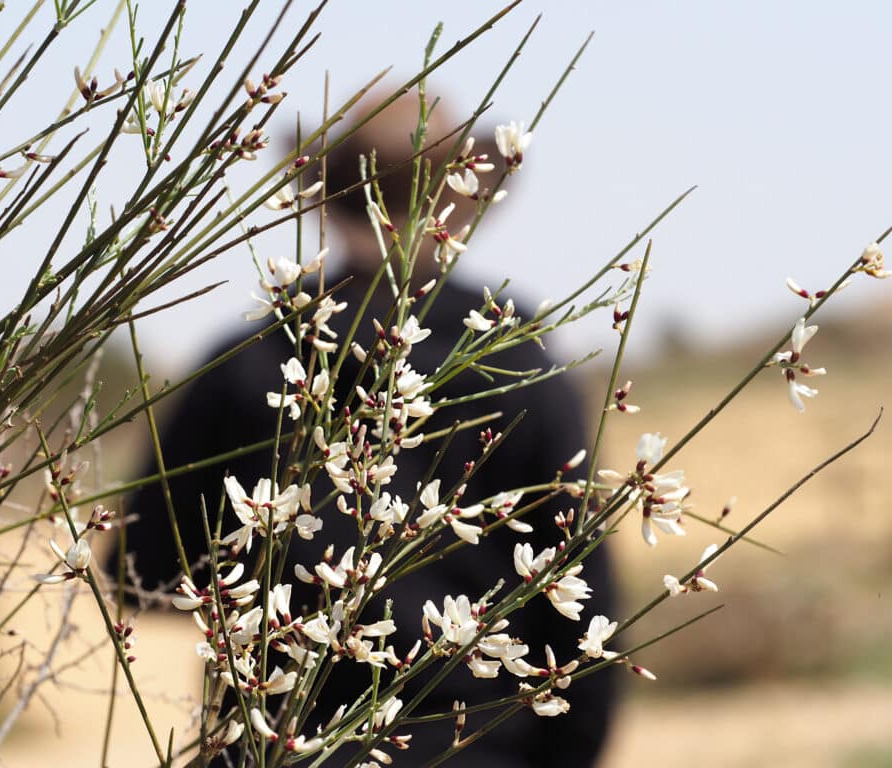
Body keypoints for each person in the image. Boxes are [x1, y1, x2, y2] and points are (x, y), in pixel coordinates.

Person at [113, 96, 617, 766]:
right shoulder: (519, 364)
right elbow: (582, 608)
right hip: (474, 748)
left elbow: (141, 569)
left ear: (332, 194)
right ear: (457, 204)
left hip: (279, 746)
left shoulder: (249, 364)